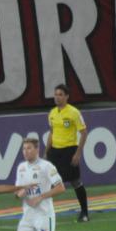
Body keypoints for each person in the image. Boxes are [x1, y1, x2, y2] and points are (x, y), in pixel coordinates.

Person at [46, 84, 89, 222]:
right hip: (55, 151)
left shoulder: (74, 112)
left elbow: (83, 133)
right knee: (48, 183)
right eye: (56, 94)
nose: (57, 97)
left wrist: (78, 153)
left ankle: (84, 213)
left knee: (75, 181)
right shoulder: (52, 113)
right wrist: (46, 152)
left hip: (69, 150)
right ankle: (46, 215)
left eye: (60, 95)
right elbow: (51, 133)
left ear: (66, 96)